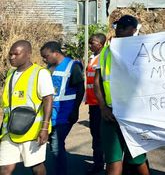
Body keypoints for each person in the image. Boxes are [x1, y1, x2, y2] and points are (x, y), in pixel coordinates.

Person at [94, 15, 150, 175]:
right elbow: (97, 81)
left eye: (122, 28)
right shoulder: (106, 51)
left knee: (138, 159)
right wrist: (103, 107)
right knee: (113, 162)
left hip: (134, 115)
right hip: (111, 114)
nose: (118, 30)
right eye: (117, 27)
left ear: (133, 30)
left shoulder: (142, 50)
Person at [0, 40, 54, 175]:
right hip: (10, 131)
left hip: (32, 131)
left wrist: (44, 128)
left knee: (36, 167)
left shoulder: (40, 73)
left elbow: (48, 99)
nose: (12, 57)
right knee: (5, 168)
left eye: (16, 54)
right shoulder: (10, 74)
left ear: (28, 54)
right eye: (10, 54)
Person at [40, 41, 84, 175]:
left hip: (65, 113)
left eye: (46, 56)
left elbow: (80, 89)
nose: (44, 59)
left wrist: (75, 110)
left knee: (56, 145)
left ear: (55, 53)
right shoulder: (49, 67)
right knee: (54, 144)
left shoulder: (73, 66)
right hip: (50, 113)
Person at [85, 34, 107, 174]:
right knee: (96, 134)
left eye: (92, 43)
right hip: (93, 104)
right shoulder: (92, 58)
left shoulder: (104, 57)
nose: (90, 45)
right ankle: (98, 162)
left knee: (101, 136)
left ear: (101, 43)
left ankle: (101, 164)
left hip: (102, 105)